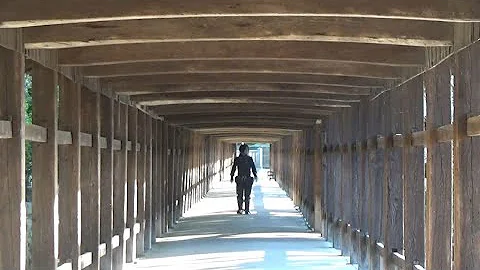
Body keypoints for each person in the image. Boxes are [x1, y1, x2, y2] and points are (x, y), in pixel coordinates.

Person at [230, 144, 258, 214]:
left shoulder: (244, 159)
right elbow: (234, 168)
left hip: (243, 178)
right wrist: (232, 176)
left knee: (243, 195)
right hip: (244, 178)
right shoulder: (244, 159)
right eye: (247, 150)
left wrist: (255, 175)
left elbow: (253, 168)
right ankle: (244, 209)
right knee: (243, 195)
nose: (248, 151)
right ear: (244, 150)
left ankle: (243, 209)